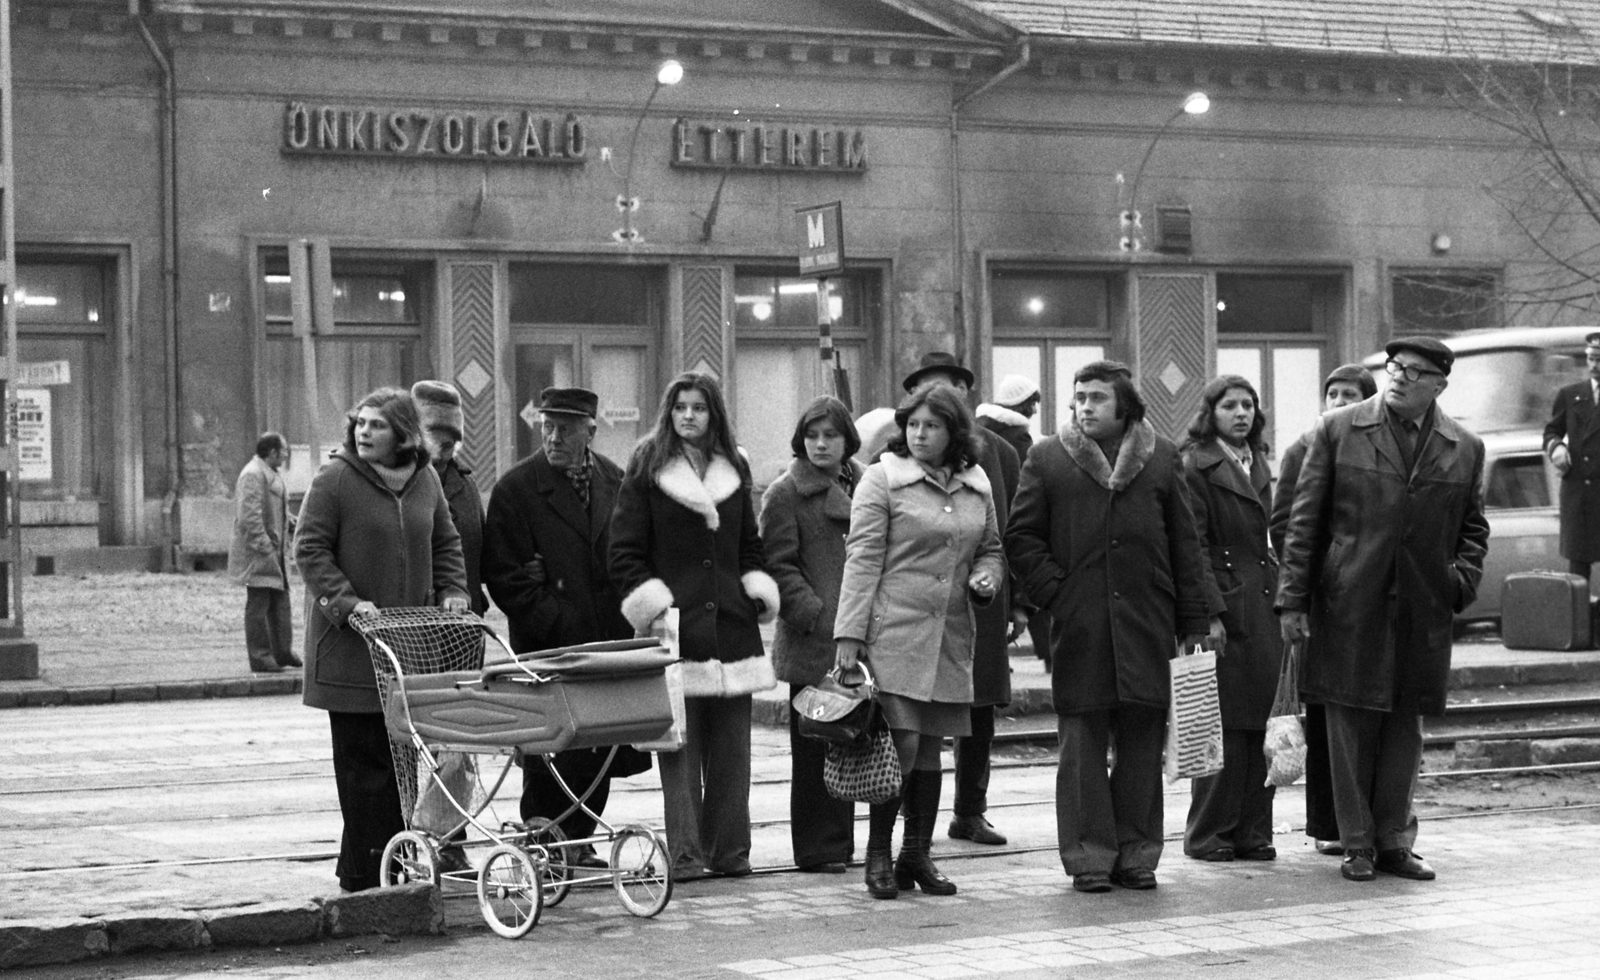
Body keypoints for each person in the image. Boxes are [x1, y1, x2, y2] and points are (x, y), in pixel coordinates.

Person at [1277, 337, 1489, 883]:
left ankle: (1395, 839)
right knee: (1348, 722)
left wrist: (1457, 581)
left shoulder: (1463, 445)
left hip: (1423, 605)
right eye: (1394, 367)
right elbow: (1303, 524)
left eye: (1415, 373)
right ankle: (1356, 843)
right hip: (1350, 598)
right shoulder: (1339, 428)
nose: (1399, 377)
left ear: (1439, 385)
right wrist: (1293, 600)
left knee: (1405, 726)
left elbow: (1473, 528)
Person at [1005, 360, 1210, 895]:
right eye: (1079, 397)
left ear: (1125, 406)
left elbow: (1186, 544)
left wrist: (1193, 618)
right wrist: (1058, 594)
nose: (1085, 406)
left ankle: (1138, 854)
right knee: (1083, 743)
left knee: (1143, 740)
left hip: (1148, 621)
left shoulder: (1162, 457)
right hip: (1081, 625)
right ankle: (1089, 858)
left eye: (1097, 397)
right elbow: (1021, 537)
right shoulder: (1048, 457)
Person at [295, 386, 470, 893]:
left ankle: (371, 874)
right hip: (349, 651)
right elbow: (309, 549)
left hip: (406, 650)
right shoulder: (335, 479)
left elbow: (446, 541)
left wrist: (454, 589)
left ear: (404, 435)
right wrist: (347, 604)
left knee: (398, 769)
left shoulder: (425, 480)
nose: (364, 432)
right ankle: (377, 879)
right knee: (363, 769)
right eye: (361, 423)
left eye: (377, 425)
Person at [834, 384, 1005, 899]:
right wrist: (849, 635)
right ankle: (879, 854)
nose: (920, 434)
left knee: (932, 748)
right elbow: (861, 559)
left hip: (951, 636)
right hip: (894, 635)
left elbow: (992, 549)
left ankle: (917, 855)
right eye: (913, 425)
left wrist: (987, 578)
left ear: (954, 432)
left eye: (931, 426)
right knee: (899, 746)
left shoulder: (977, 485)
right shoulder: (883, 480)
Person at [609, 372, 780, 882]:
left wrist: (755, 590)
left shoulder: (734, 467)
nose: (689, 415)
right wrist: (655, 607)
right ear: (669, 412)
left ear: (714, 414)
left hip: (732, 629)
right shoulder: (648, 466)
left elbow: (749, 543)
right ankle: (685, 857)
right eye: (681, 406)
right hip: (675, 631)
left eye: (699, 407)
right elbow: (624, 552)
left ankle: (731, 854)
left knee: (733, 756)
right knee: (679, 756)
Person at [482, 386, 650, 866]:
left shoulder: (616, 482)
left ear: (590, 431)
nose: (554, 437)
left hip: (604, 643)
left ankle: (581, 841)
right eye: (547, 427)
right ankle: (543, 846)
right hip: (547, 647)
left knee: (596, 745)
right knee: (547, 748)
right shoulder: (516, 489)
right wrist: (555, 620)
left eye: (566, 429)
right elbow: (505, 577)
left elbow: (630, 556)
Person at [897, 352, 1024, 848]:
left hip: (981, 603)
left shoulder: (1001, 454)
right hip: (917, 606)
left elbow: (1011, 532)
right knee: (913, 716)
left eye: (950, 387)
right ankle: (910, 823)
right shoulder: (900, 455)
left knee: (981, 710)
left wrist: (1017, 604)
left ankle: (970, 810)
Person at [1270, 363, 1377, 857]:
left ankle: (1373, 821)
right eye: (1331, 392)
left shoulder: (1380, 448)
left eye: (1349, 393)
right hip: (1325, 597)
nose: (1338, 400)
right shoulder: (1305, 446)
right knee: (1326, 709)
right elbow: (1285, 522)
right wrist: (1315, 576)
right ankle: (1328, 824)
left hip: (1374, 598)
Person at [760, 396, 866, 875]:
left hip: (860, 638)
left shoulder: (866, 484)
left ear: (848, 441)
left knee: (852, 740)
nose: (820, 445)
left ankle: (841, 842)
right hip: (814, 641)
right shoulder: (786, 493)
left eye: (830, 436)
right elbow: (778, 565)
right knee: (814, 747)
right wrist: (817, 614)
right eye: (812, 436)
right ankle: (818, 847)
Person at [1179, 376, 1279, 863]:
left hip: (1264, 606)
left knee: (1263, 725)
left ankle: (1255, 831)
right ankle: (1209, 834)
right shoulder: (1196, 464)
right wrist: (1209, 612)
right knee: (1220, 726)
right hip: (1226, 608)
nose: (1241, 413)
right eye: (1230, 406)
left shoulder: (1258, 460)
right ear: (1211, 412)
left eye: (1248, 405)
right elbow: (1192, 545)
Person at [977, 373, 1054, 673]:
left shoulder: (983, 429)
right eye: (1031, 404)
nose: (1035, 410)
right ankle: (1051, 656)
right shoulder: (1018, 438)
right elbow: (1026, 485)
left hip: (988, 520)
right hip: (1014, 521)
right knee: (1031, 590)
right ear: (1019, 405)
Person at [411, 380, 489, 616]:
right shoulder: (397, 483)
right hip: (412, 622)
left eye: (447, 445)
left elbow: (483, 555)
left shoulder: (466, 486)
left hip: (464, 623)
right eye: (430, 443)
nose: (437, 456)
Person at [228, 431, 299, 673]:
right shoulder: (252, 475)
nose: (287, 454)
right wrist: (265, 547)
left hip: (274, 551)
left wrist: (293, 523)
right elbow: (249, 518)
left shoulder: (269, 473)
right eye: (284, 451)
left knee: (280, 602)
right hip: (260, 554)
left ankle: (282, 652)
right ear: (272, 453)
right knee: (258, 605)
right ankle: (260, 657)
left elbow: (276, 510)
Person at [1543, 331, 1600, 582]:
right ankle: (1581, 620)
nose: (1594, 366)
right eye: (1590, 359)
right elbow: (1551, 431)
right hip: (1580, 496)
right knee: (1578, 573)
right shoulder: (1570, 394)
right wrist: (1556, 447)